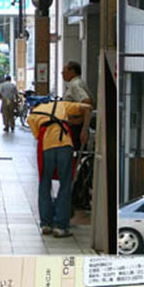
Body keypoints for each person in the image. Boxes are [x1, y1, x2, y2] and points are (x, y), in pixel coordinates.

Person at [28, 100, 92, 238]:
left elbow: (37, 135)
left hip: (46, 147)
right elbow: (88, 108)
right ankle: (61, 226)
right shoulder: (62, 105)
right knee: (65, 185)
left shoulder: (32, 115)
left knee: (44, 184)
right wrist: (84, 130)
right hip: (64, 144)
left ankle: (46, 224)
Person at [61, 61, 95, 152]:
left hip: (77, 127)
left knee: (75, 152)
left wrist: (79, 120)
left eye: (64, 72)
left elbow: (87, 102)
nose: (62, 74)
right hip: (76, 125)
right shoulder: (79, 82)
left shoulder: (75, 85)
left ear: (72, 71)